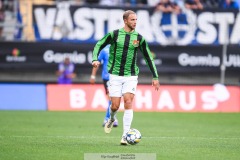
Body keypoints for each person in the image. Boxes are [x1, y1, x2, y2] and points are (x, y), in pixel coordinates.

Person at [92, 10, 160, 145]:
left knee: (128, 101)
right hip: (115, 75)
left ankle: (125, 135)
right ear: (125, 21)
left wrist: (155, 76)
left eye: (136, 20)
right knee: (115, 106)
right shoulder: (115, 34)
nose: (135, 22)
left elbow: (148, 57)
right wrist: (95, 59)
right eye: (132, 20)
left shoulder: (139, 38)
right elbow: (99, 44)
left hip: (131, 75)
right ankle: (111, 118)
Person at [89, 45, 118, 127]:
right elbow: (96, 63)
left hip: (118, 77)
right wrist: (93, 76)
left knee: (116, 98)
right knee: (111, 97)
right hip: (107, 77)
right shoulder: (105, 50)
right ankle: (108, 118)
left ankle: (112, 117)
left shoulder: (121, 48)